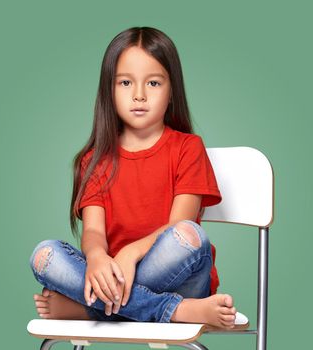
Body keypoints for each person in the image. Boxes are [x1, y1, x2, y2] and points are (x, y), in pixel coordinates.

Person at [29, 26, 237, 328]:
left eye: (153, 83)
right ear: (109, 91)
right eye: (126, 82)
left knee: (190, 238)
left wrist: (130, 253)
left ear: (171, 93)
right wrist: (98, 257)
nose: (139, 95)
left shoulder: (188, 148)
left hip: (179, 278)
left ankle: (88, 307)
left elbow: (182, 226)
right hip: (117, 279)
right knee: (44, 255)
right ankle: (175, 311)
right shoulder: (96, 159)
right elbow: (94, 233)